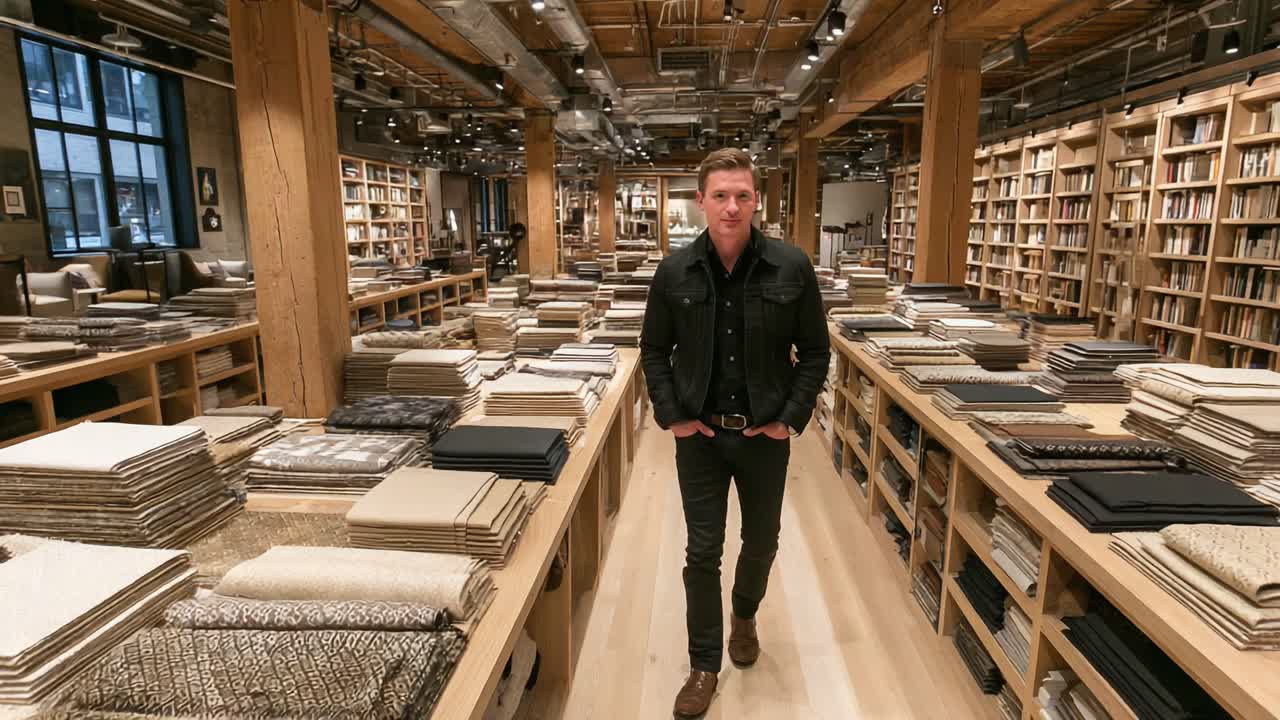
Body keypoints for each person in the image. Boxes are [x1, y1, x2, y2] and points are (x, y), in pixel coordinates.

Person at [639, 148, 830, 718]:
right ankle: (703, 664)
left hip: (763, 436)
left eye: (742, 195)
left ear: (756, 200)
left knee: (763, 541)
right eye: (720, 195)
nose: (731, 206)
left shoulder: (791, 267)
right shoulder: (674, 271)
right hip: (698, 437)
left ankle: (744, 615)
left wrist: (790, 417)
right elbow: (653, 349)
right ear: (700, 200)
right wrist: (671, 413)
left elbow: (816, 353)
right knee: (702, 550)